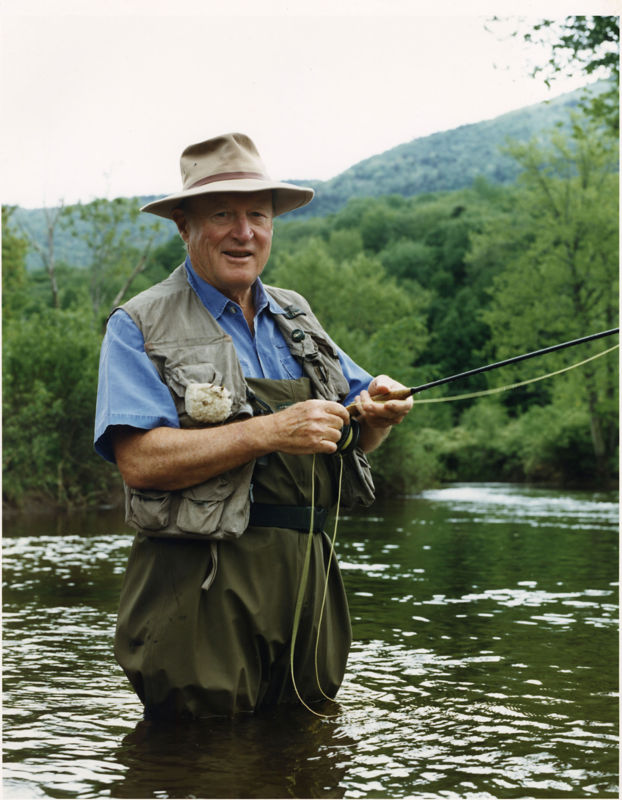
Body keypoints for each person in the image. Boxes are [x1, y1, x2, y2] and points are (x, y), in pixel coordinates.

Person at [94, 132, 413, 719]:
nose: (244, 232)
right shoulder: (138, 323)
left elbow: (356, 425)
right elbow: (139, 459)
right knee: (204, 762)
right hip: (199, 586)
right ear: (184, 226)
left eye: (258, 216)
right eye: (223, 214)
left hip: (307, 578)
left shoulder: (295, 313)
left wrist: (381, 412)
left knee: (307, 749)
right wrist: (267, 432)